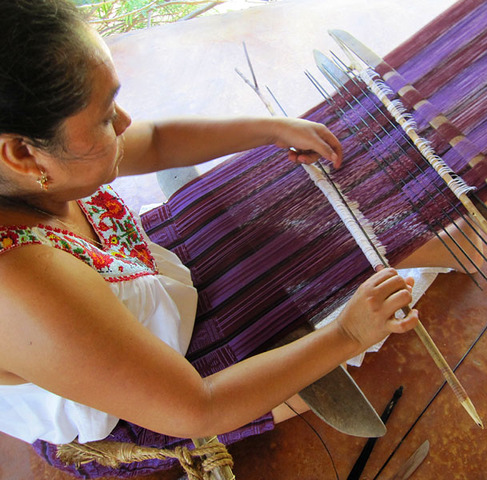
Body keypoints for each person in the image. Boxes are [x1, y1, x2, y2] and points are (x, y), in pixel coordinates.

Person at [0, 0, 425, 473]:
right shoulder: (22, 288)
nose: (123, 122)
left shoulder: (39, 170)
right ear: (22, 153)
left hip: (143, 297)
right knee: (352, 335)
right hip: (145, 398)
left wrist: (271, 129)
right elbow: (198, 408)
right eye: (103, 117)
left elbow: (155, 139)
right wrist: (346, 334)